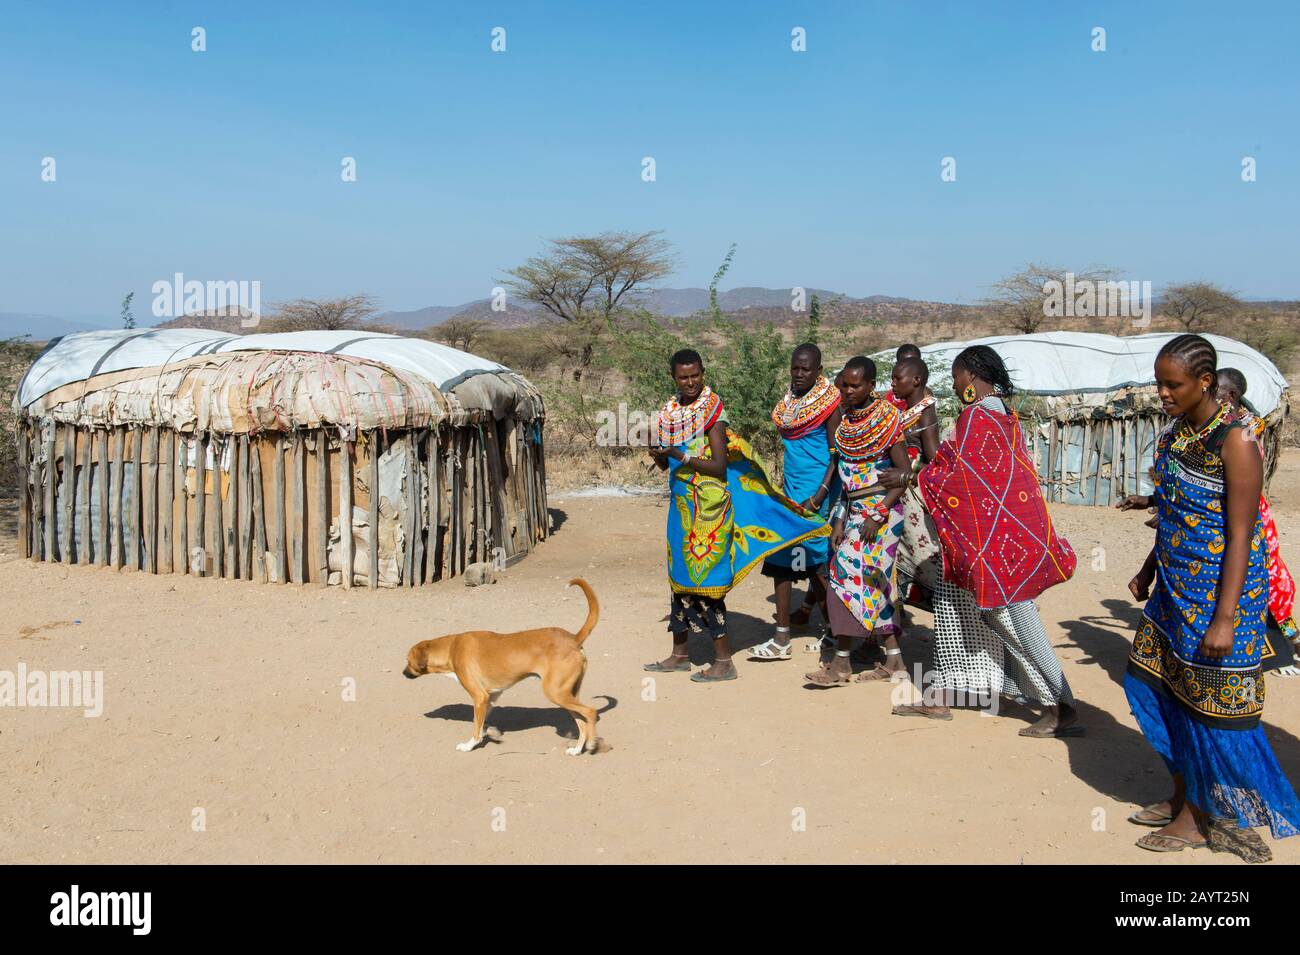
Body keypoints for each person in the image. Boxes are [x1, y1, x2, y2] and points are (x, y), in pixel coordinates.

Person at [1123, 334, 1300, 860]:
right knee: (1155, 688)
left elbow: (1243, 536)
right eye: (1158, 382)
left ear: (1204, 381)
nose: (1162, 392)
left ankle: (1199, 817)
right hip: (1174, 592)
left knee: (1209, 710)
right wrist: (1148, 568)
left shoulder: (1237, 440)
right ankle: (1184, 795)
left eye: (1171, 383)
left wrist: (1224, 620)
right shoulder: (1178, 433)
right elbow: (1175, 509)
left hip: (1220, 602)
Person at [895, 345, 1081, 735]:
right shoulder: (1003, 415)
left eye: (957, 375)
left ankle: (1060, 706)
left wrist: (911, 478)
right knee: (1000, 617)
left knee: (1020, 622)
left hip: (998, 542)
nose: (954, 381)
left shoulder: (978, 418)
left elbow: (957, 476)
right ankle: (1042, 698)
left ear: (972, 374)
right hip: (1008, 536)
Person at [645, 349, 831, 683]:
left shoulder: (713, 414)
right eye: (683, 377)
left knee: (708, 582)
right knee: (680, 581)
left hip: (710, 511)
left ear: (703, 373)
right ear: (673, 378)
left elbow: (717, 466)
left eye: (695, 376)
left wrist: (678, 454)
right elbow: (666, 465)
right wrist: (658, 452)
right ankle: (680, 653)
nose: (690, 382)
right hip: (681, 509)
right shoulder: (670, 413)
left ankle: (724, 661)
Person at [805, 356, 912, 685]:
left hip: (882, 513)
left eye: (855, 385)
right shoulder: (845, 424)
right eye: (843, 385)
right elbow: (846, 478)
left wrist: (877, 515)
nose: (847, 391)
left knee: (842, 577)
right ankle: (894, 661)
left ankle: (841, 663)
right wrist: (839, 518)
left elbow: (904, 474)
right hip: (852, 511)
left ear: (871, 386)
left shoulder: (888, 419)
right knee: (875, 581)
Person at [749, 344, 842, 661]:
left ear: (818, 371)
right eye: (795, 369)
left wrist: (819, 496)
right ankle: (781, 638)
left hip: (817, 496)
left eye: (806, 370)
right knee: (782, 559)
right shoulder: (791, 404)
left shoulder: (830, 405)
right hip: (791, 493)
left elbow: (837, 456)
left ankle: (834, 634)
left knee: (817, 565)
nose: (799, 374)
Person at [881, 357, 942, 614]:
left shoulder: (924, 411)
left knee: (925, 562)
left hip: (914, 496)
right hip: (901, 492)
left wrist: (905, 475)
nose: (893, 384)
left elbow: (935, 462)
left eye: (898, 379)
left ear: (916, 380)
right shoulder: (906, 412)